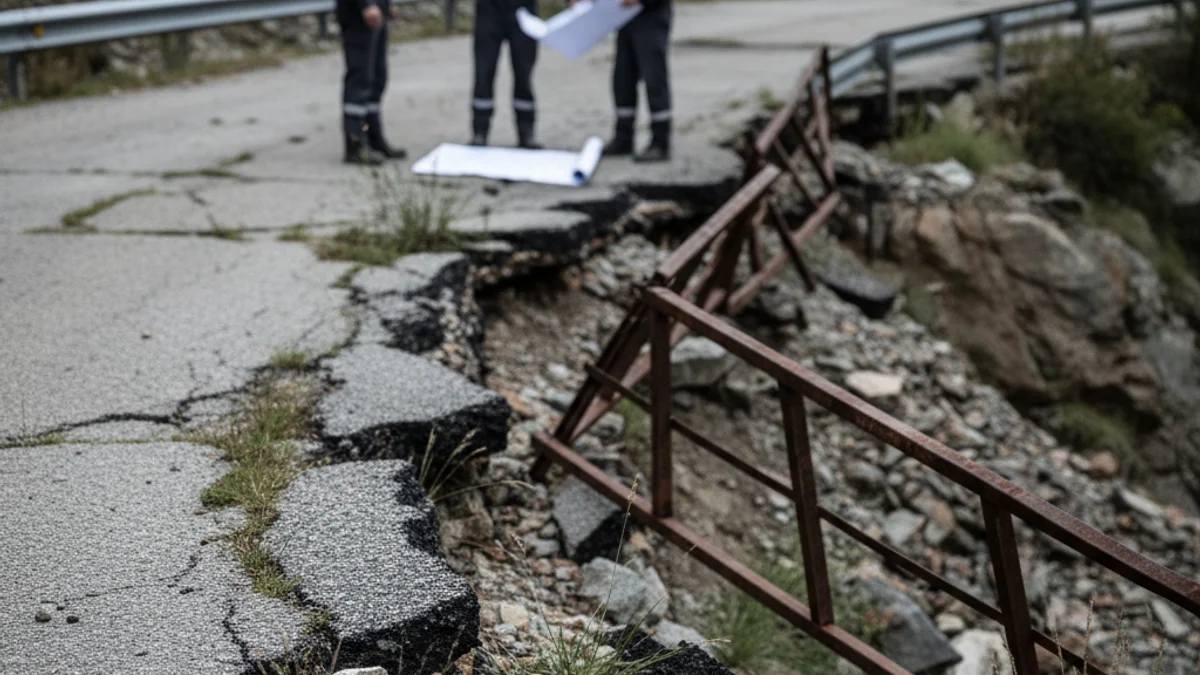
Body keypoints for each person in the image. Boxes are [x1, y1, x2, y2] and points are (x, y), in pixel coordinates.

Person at [601, 0, 673, 162]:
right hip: (625, 17)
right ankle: (623, 137)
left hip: (651, 15)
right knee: (623, 77)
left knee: (654, 78)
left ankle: (660, 142)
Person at [337, 0, 407, 165]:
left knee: (376, 78)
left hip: (376, 9)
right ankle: (355, 143)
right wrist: (366, 5)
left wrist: (385, 5)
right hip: (358, 14)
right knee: (360, 79)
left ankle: (373, 138)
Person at [471, 0, 543, 148]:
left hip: (524, 9)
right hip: (488, 10)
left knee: (524, 74)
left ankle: (526, 132)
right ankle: (480, 132)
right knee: (483, 73)